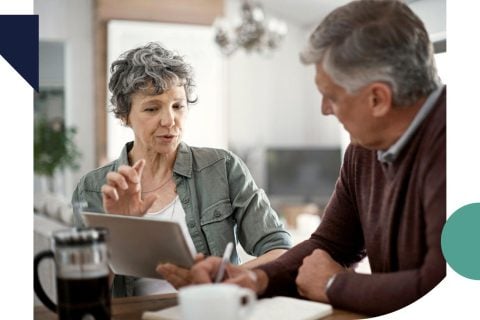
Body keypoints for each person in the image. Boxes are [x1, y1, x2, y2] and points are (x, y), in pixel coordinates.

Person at [190, 0, 446, 316]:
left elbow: (446, 288)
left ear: (377, 99)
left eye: (332, 97)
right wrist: (254, 279)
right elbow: (330, 246)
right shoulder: (363, 149)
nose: (325, 109)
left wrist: (333, 285)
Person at [72, 42, 292, 297]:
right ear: (124, 115)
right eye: (152, 108)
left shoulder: (222, 167)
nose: (169, 120)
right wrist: (120, 229)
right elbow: (84, 294)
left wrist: (222, 282)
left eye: (178, 106)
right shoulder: (91, 189)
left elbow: (280, 250)